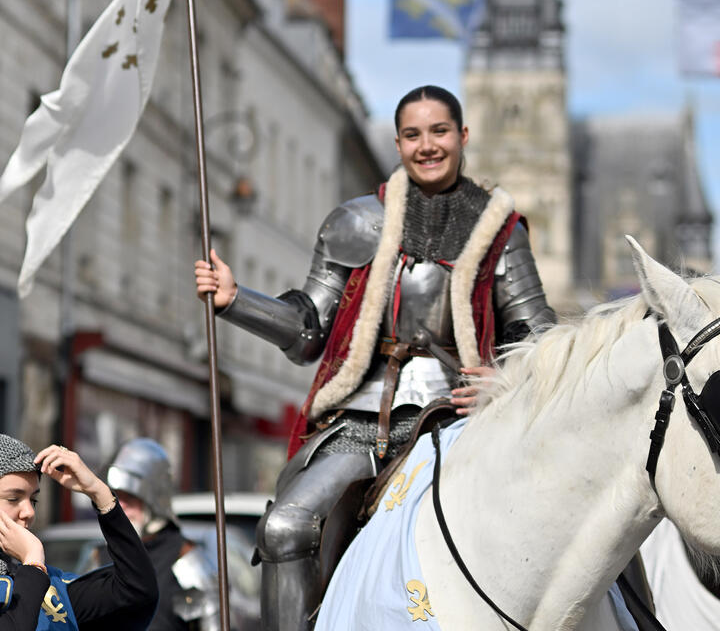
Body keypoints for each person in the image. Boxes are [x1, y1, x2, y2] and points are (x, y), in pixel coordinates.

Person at [195, 84, 556, 631]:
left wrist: (503, 381)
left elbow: (541, 335)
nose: (427, 145)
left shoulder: (499, 231)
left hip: (457, 419)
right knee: (285, 529)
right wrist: (235, 299)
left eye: (439, 132)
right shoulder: (355, 221)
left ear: (462, 136)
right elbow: (308, 330)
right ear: (397, 143)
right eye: (413, 134)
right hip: (360, 419)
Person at [0, 435, 158, 631]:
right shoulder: (34, 573)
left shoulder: (49, 586)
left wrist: (99, 493)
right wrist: (32, 562)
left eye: (34, 500)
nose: (29, 512)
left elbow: (137, 592)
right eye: (13, 499)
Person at [103, 438, 219, 631]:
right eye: (115, 497)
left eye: (130, 498)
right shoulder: (100, 555)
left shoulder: (185, 557)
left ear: (153, 500)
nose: (119, 506)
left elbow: (212, 625)